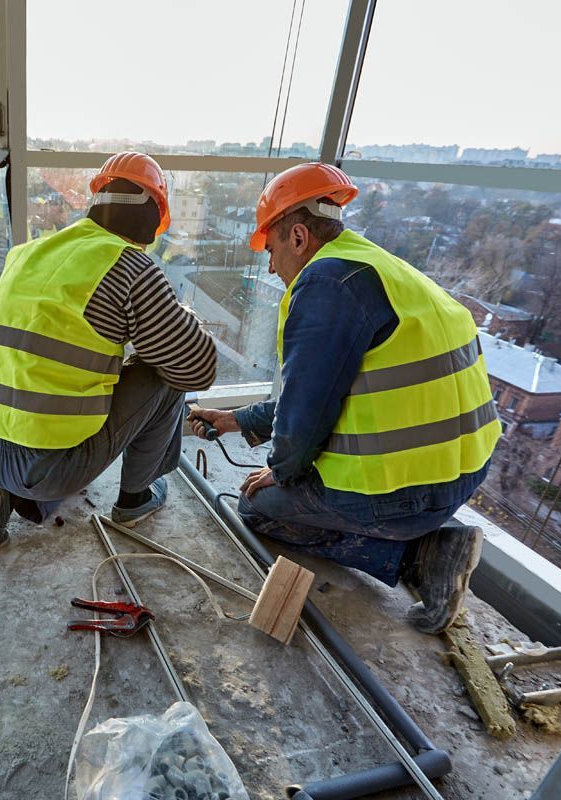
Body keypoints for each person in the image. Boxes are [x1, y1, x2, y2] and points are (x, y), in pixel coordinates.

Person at [188, 163, 500, 634]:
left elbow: (304, 421)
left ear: (297, 236)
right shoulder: (380, 268)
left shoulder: (325, 285)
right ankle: (423, 539)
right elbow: (327, 396)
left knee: (256, 506)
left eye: (270, 250)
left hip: (408, 495)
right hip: (462, 473)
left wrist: (283, 474)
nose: (271, 266)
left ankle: (421, 556)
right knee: (278, 483)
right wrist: (232, 420)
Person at [0, 152, 217, 549]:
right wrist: (184, 317)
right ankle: (136, 498)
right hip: (44, 466)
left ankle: (11, 494)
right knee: (161, 373)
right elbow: (196, 369)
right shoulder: (130, 265)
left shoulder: (28, 252)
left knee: (77, 393)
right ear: (154, 215)